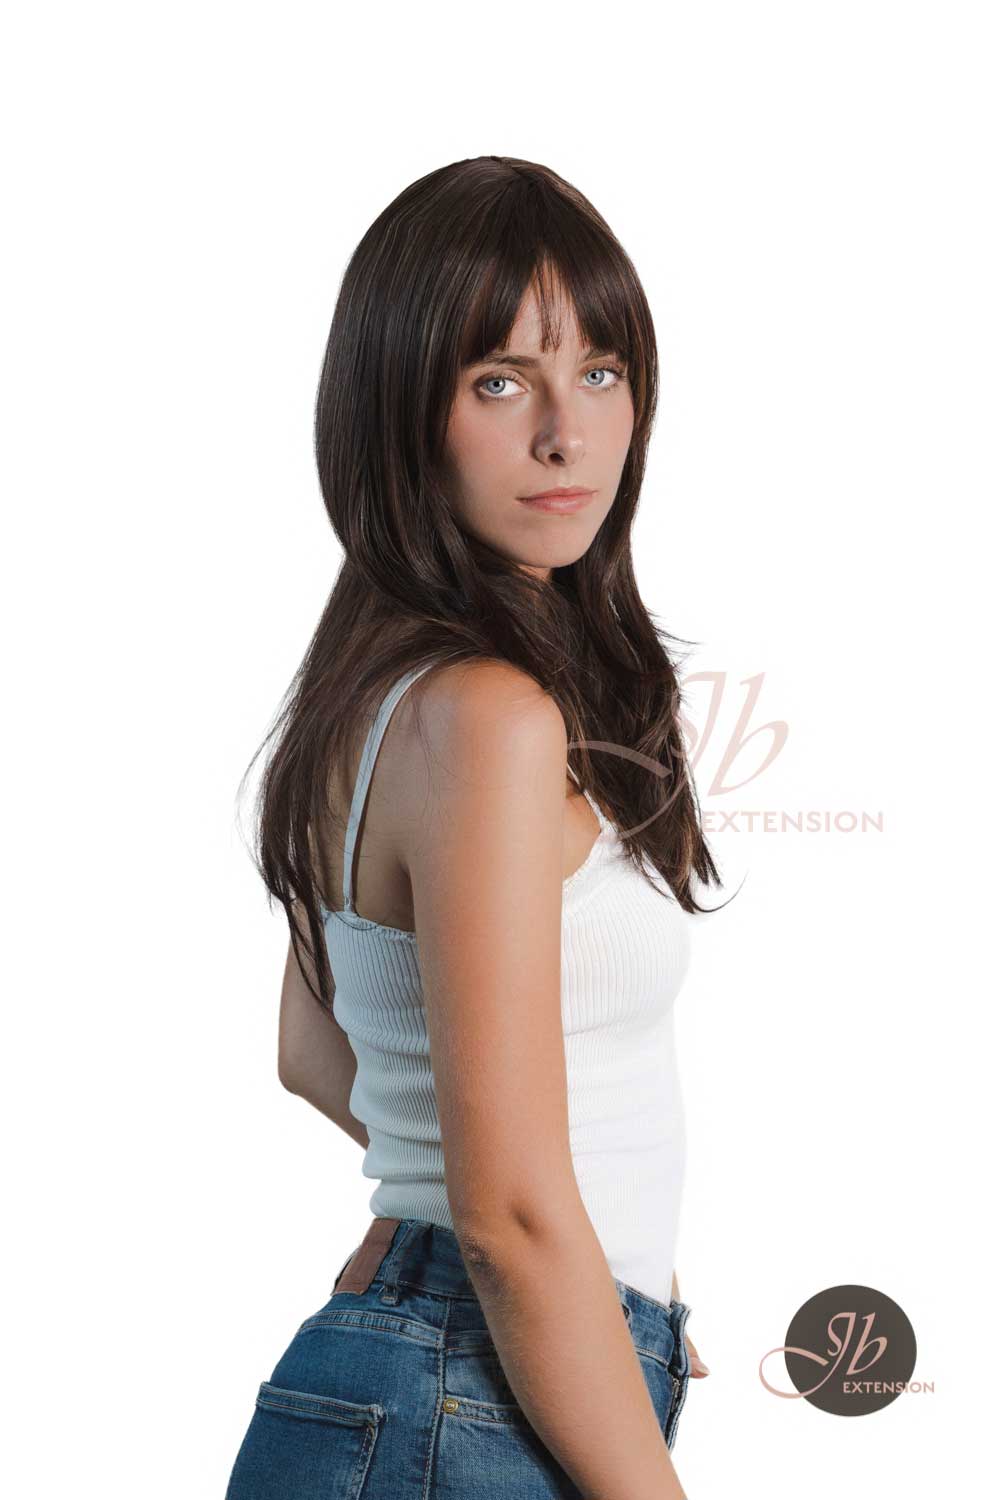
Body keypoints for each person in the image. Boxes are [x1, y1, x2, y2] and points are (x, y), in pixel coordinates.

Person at [227, 155, 725, 1500]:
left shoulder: (374, 695)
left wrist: (553, 1263)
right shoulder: (489, 717)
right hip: (473, 1391)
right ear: (397, 411)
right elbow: (505, 1212)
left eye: (601, 371)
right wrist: (537, 1261)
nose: (568, 434)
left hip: (456, 1374)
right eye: (500, 381)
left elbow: (312, 1050)